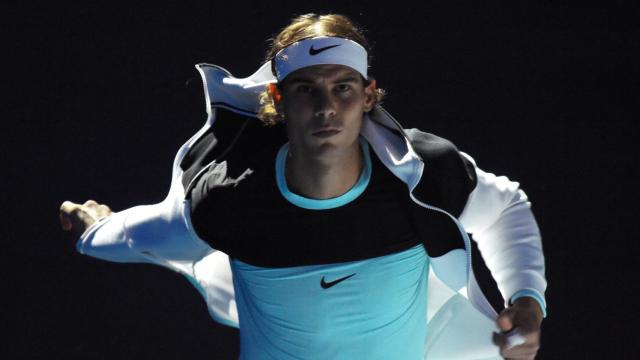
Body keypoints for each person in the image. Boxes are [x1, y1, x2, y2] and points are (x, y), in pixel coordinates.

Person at [59, 13, 546, 359]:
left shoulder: (424, 173)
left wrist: (526, 299)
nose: (326, 106)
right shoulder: (230, 200)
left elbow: (504, 209)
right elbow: (142, 235)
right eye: (306, 88)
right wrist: (93, 228)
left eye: (343, 87)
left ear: (368, 95)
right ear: (278, 99)